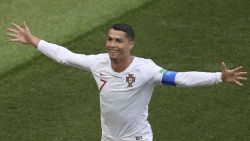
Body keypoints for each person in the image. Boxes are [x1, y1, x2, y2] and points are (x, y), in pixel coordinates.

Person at [6, 22, 247, 141]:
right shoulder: (97, 63)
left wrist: (218, 77)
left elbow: (179, 79)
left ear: (130, 44)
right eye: (110, 39)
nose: (112, 44)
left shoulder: (146, 69)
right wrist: (34, 40)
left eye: (119, 40)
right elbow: (65, 56)